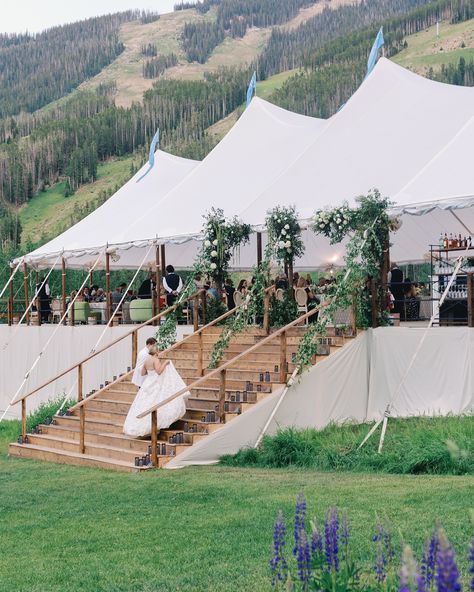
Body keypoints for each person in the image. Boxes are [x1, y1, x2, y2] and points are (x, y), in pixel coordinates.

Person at [123, 344, 188, 437]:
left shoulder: (146, 361)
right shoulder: (155, 360)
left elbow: (142, 373)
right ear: (156, 352)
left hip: (147, 383)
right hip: (155, 383)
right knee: (155, 401)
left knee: (144, 403)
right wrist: (165, 363)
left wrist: (150, 372)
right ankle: (153, 426)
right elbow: (159, 371)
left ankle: (139, 426)